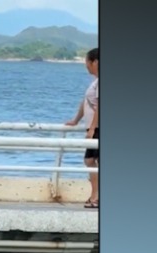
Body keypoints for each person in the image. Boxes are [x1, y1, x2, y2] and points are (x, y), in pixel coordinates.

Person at [65, 47, 99, 208]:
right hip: (93, 128)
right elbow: (85, 102)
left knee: (92, 161)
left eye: (87, 61)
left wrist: (92, 128)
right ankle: (95, 195)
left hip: (97, 129)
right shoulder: (95, 83)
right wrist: (76, 120)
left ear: (95, 62)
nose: (86, 65)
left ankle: (96, 197)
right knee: (90, 161)